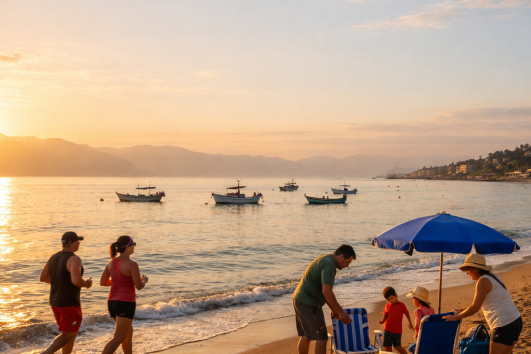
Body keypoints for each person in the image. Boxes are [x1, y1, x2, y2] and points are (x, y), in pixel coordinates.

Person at [446, 254, 522, 354]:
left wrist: (457, 317)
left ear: (476, 269)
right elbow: (479, 304)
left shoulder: (483, 281)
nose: (467, 272)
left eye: (468, 268)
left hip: (503, 325)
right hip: (515, 321)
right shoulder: (494, 277)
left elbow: (475, 308)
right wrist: (460, 310)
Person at [292, 244, 356, 354]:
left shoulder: (325, 258)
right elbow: (326, 291)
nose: (347, 266)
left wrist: (333, 309)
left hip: (299, 298)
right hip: (309, 302)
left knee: (305, 336)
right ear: (341, 256)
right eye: (348, 262)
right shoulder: (329, 265)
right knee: (321, 337)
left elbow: (322, 290)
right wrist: (341, 312)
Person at [39, 231, 93, 354]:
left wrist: (61, 282)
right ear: (73, 243)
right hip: (69, 303)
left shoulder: (53, 257)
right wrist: (86, 284)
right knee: (68, 335)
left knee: (69, 334)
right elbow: (76, 280)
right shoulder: (74, 259)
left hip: (55, 301)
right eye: (78, 241)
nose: (79, 243)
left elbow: (43, 278)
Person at [100, 236, 148, 354]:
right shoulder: (132, 264)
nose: (134, 247)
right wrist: (144, 281)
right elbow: (139, 286)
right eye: (133, 244)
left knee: (128, 332)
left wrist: (120, 281)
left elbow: (103, 282)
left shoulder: (111, 263)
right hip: (125, 303)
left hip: (112, 302)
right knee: (119, 337)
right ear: (127, 248)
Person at [379, 287, 413, 354]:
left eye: (392, 298)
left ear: (396, 296)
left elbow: (407, 313)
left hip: (397, 331)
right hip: (388, 329)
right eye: (388, 299)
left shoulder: (401, 305)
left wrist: (410, 322)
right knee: (387, 347)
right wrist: (383, 321)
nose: (390, 301)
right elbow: (386, 315)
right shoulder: (387, 305)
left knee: (397, 346)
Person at [406, 286, 434, 353]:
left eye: (413, 298)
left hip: (423, 336)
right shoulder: (431, 309)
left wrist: (416, 335)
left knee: (411, 349)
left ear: (417, 300)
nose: (413, 300)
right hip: (431, 335)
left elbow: (417, 325)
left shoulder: (418, 311)